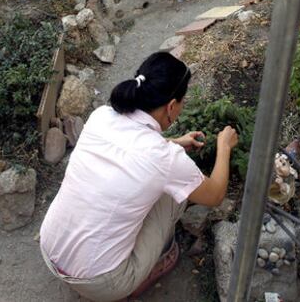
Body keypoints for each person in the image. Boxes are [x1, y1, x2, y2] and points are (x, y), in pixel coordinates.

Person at [40, 52, 238, 302]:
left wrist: (175, 142)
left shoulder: (101, 116)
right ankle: (144, 271)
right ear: (171, 106)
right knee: (174, 196)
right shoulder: (166, 159)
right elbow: (215, 194)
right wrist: (224, 147)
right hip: (99, 282)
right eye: (183, 101)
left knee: (154, 183)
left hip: (50, 248)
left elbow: (131, 149)